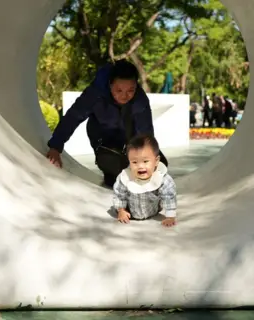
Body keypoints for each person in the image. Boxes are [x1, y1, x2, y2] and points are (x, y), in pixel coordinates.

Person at [46, 59, 167, 187]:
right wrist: (55, 147)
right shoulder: (95, 94)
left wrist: (149, 159)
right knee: (115, 172)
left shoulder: (140, 100)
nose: (124, 96)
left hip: (128, 136)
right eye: (119, 90)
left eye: (130, 90)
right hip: (103, 137)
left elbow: (145, 132)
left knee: (160, 164)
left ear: (136, 86)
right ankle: (110, 172)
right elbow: (73, 117)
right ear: (110, 85)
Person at [112, 134, 177, 227]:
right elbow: (119, 194)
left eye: (145, 161)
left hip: (153, 211)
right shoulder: (125, 177)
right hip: (131, 210)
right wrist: (121, 210)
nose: (140, 166)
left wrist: (170, 217)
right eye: (134, 162)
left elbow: (169, 195)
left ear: (156, 161)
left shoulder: (162, 178)